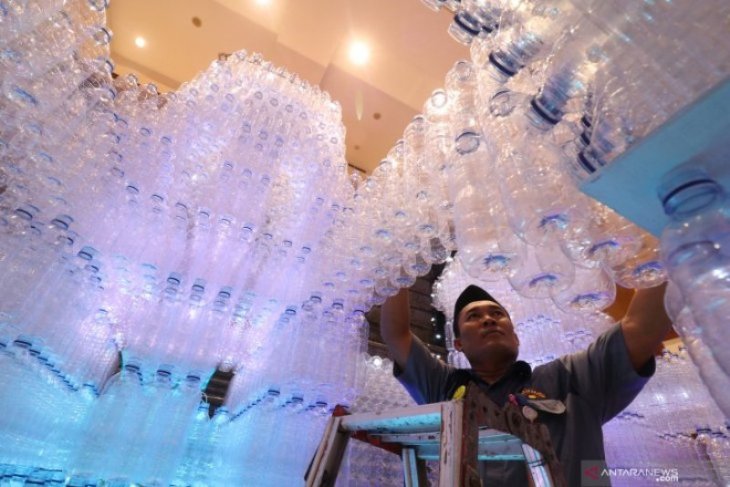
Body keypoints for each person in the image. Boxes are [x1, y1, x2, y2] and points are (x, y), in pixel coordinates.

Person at [380, 282, 671, 486]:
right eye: (474, 317)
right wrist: (401, 260)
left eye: (497, 314)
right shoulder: (444, 390)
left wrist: (677, 235)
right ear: (458, 344)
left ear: (515, 336)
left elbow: (639, 328)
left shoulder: (570, 378)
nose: (489, 320)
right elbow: (397, 335)